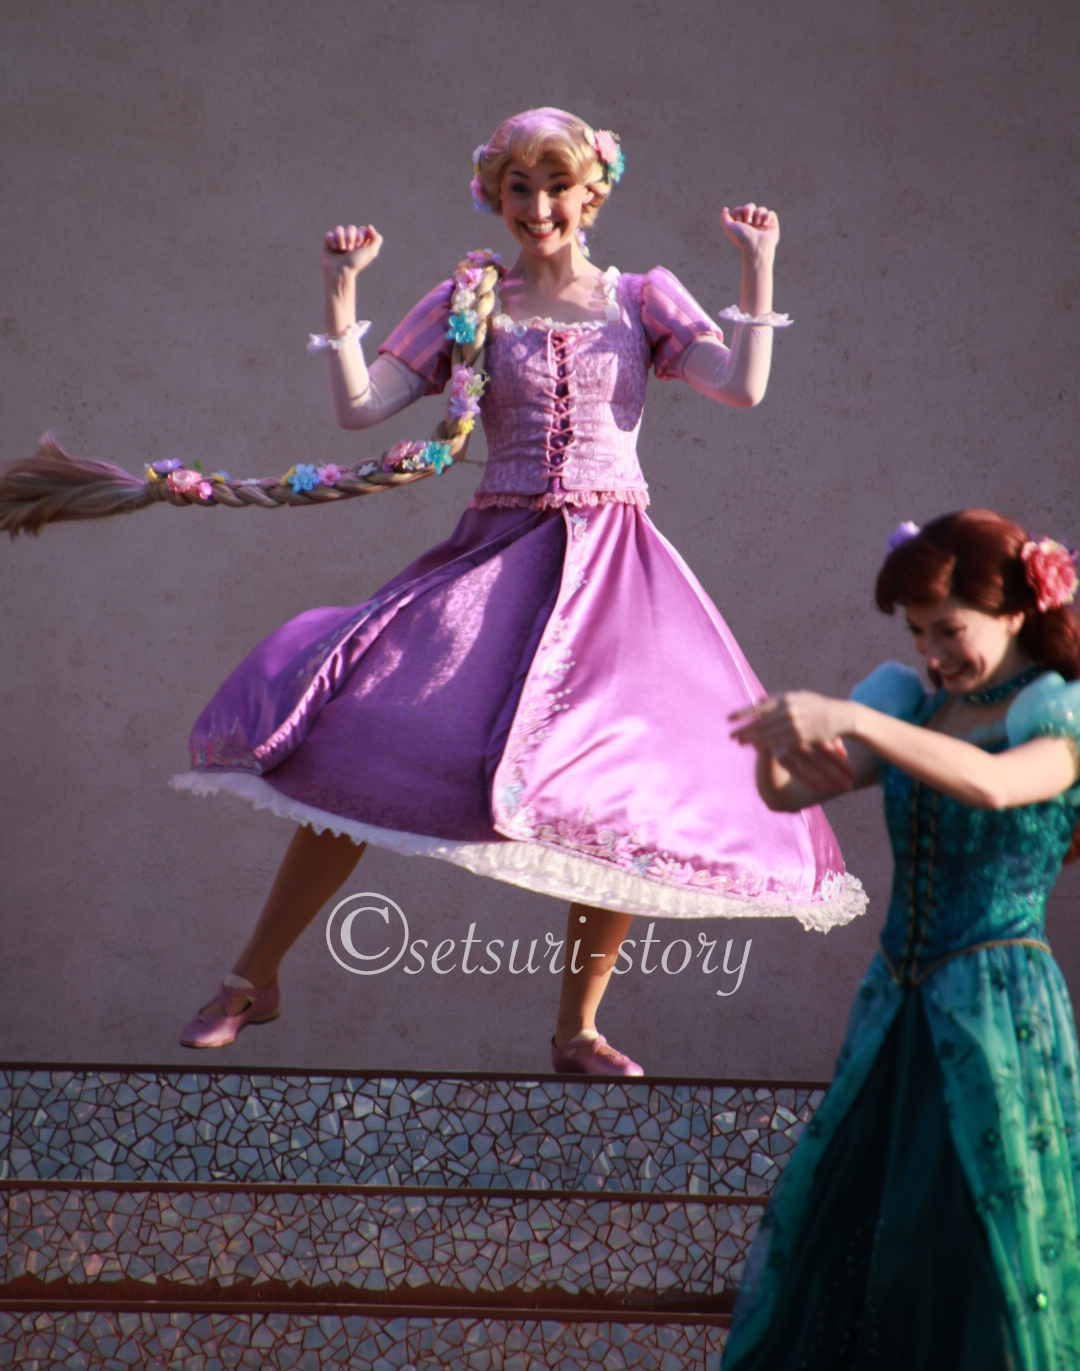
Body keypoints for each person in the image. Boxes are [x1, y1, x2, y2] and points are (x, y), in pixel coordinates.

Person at [172, 106, 865, 1074]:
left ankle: (577, 1029)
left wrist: (759, 268)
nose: (539, 208)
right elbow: (361, 408)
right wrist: (340, 293)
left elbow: (740, 387)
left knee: (622, 786)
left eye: (557, 188)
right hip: (495, 564)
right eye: (519, 189)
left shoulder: (643, 299)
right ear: (494, 197)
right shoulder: (470, 301)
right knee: (356, 734)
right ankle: (254, 977)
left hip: (617, 574)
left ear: (592, 193)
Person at [724, 509, 1080, 1369]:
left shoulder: (1059, 715)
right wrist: (774, 743)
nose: (932, 653)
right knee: (860, 1221)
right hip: (896, 1007)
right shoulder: (920, 708)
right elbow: (791, 793)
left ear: (1016, 612)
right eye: (919, 633)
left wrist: (859, 718)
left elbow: (994, 785)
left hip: (997, 1012)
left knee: (969, 1235)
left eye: (949, 630)